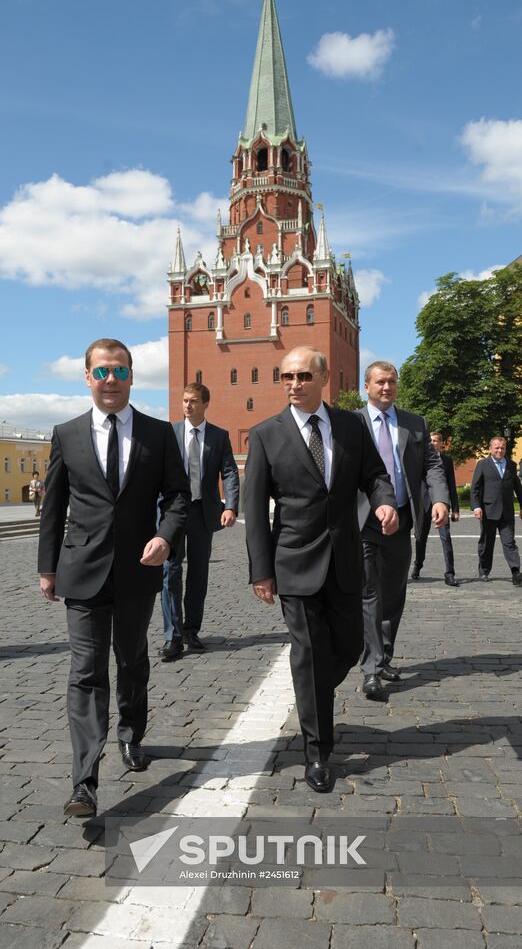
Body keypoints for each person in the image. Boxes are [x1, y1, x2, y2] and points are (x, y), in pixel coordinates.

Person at [38, 338, 190, 817]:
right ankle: (84, 781)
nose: (110, 380)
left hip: (137, 571)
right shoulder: (66, 433)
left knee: (131, 661)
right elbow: (54, 506)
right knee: (85, 672)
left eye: (120, 372)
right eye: (102, 371)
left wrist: (165, 536)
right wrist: (47, 568)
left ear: (131, 377)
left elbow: (179, 496)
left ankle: (130, 734)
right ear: (87, 376)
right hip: (81, 571)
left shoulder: (158, 434)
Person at [244, 346, 398, 793]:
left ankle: (311, 692)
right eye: (286, 376)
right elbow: (254, 510)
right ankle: (318, 752)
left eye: (303, 376)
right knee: (309, 652)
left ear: (322, 378)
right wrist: (261, 570)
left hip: (347, 560)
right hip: (293, 563)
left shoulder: (350, 425)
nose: (294, 384)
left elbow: (374, 475)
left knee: (349, 648)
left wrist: (385, 503)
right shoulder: (265, 434)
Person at [357, 362, 449, 701]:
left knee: (394, 592)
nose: (386, 387)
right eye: (380, 382)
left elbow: (432, 466)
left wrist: (439, 499)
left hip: (404, 519)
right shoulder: (352, 423)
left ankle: (384, 656)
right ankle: (371, 668)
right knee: (369, 592)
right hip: (364, 520)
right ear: (366, 386)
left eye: (392, 382)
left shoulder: (415, 423)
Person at [159, 382, 239, 659]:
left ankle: (191, 630)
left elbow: (229, 472)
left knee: (198, 574)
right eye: (184, 400)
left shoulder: (219, 436)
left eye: (193, 401)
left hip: (204, 512)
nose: (188, 405)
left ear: (205, 403)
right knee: (170, 572)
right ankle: (173, 636)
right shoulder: (169, 433)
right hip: (173, 512)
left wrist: (231, 506)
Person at [471, 436, 522, 585]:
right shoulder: (482, 464)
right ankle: (484, 571)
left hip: (506, 512)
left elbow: (518, 488)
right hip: (488, 511)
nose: (500, 450)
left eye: (502, 448)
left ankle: (516, 572)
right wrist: (476, 507)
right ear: (490, 448)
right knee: (487, 543)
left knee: (510, 543)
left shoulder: (511, 465)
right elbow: (475, 488)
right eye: (497, 448)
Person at [411, 431, 460, 586]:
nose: (433, 443)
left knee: (446, 539)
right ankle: (418, 566)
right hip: (423, 504)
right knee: (420, 538)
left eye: (436, 440)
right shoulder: (420, 460)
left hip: (441, 505)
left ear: (441, 443)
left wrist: (455, 508)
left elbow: (451, 485)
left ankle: (450, 573)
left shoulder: (446, 461)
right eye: (430, 441)